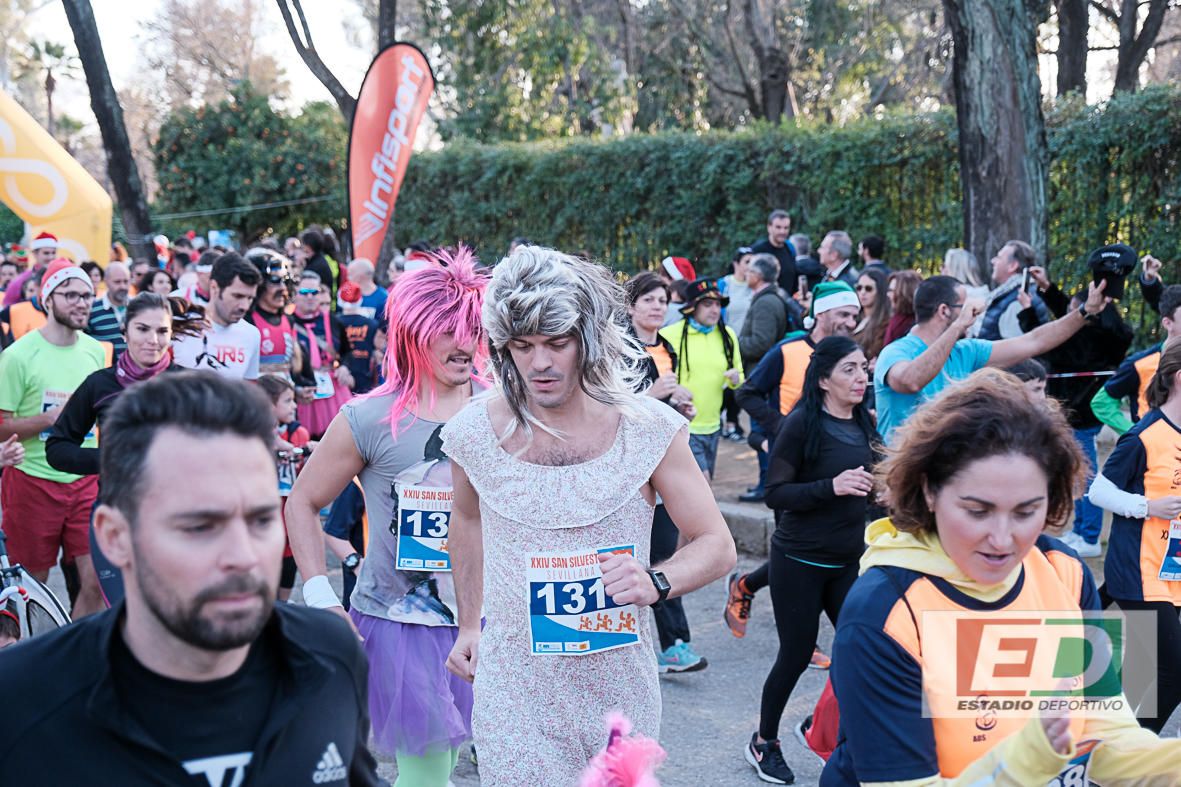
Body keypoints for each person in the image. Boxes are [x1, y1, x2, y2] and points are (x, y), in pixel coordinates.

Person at [440, 246, 736, 786]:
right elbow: (467, 521)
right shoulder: (472, 433)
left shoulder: (648, 429)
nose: (539, 363)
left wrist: (656, 581)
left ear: (589, 339)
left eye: (557, 342)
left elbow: (716, 543)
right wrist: (467, 624)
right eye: (522, 345)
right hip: (515, 690)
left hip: (619, 693)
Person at [0, 372, 380, 784]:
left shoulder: (330, 655)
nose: (243, 556)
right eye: (200, 527)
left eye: (261, 519)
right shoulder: (21, 697)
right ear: (115, 537)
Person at [823, 370, 1181, 786]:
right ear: (929, 491)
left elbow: (1104, 727)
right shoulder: (884, 612)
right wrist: (1031, 757)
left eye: (1026, 511)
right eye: (977, 511)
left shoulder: (1064, 572)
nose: (1002, 539)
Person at [287, 246, 485, 787]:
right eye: (448, 329)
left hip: (486, 617)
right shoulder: (369, 417)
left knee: (449, 763)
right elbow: (302, 502)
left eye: (471, 327)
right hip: (400, 622)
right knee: (428, 774)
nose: (465, 342)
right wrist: (320, 595)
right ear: (413, 333)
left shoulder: (502, 409)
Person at [745, 336, 879, 785]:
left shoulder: (862, 421)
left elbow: (875, 480)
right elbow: (776, 494)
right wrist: (831, 487)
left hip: (848, 561)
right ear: (823, 380)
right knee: (797, 654)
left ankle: (822, 727)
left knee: (862, 649)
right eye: (849, 369)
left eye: (863, 368)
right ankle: (764, 741)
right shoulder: (801, 423)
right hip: (799, 561)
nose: (861, 378)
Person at [45, 292, 203, 606]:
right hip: (116, 514)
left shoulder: (189, 386)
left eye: (162, 331)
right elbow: (57, 448)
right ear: (125, 331)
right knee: (123, 610)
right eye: (143, 329)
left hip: (175, 518)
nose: (153, 340)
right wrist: (108, 460)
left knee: (171, 612)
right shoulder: (100, 385)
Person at [874, 274, 1109, 444]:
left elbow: (1034, 341)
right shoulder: (895, 352)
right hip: (903, 475)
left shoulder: (966, 350)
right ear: (944, 311)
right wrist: (957, 327)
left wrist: (1084, 312)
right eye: (964, 307)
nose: (973, 316)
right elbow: (911, 381)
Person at [0, 259, 108, 618]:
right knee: (31, 586)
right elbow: (2, 426)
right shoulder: (17, 356)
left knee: (97, 580)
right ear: (48, 300)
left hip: (85, 481)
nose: (82, 303)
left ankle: (73, 644)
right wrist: (48, 420)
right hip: (33, 480)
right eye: (71, 295)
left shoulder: (95, 351)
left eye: (87, 296)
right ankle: (35, 648)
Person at [1087, 340, 1181, 733]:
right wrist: (1148, 506)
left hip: (1171, 571)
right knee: (1174, 672)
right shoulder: (1144, 435)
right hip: (1138, 570)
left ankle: (1103, 739)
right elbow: (1098, 491)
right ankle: (1135, 750)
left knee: (1143, 668)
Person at [1015, 263, 1134, 558]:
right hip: (1078, 412)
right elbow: (1069, 316)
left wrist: (1029, 312)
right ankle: (1081, 529)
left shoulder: (1089, 340)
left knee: (1084, 473)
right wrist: (1047, 288)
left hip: (1080, 413)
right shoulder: (1105, 333)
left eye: (1077, 312)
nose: (1070, 317)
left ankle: (1089, 535)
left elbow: (1047, 343)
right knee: (1077, 471)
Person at [626, 272, 706, 674]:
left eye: (663, 300)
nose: (658, 307)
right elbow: (610, 406)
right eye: (649, 300)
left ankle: (671, 644)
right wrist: (653, 395)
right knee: (652, 554)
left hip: (665, 459)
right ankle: (669, 644)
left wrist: (679, 408)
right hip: (630, 467)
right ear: (630, 307)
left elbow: (662, 408)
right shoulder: (618, 348)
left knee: (665, 552)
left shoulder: (667, 347)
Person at [732, 282, 860, 509]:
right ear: (820, 313)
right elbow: (747, 394)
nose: (851, 323)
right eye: (843, 314)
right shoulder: (787, 350)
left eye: (854, 316)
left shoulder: (853, 355)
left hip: (837, 462)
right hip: (793, 464)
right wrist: (781, 425)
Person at [659, 277, 743, 479]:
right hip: (682, 424)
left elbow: (739, 377)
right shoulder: (669, 335)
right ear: (692, 307)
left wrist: (735, 379)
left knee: (702, 484)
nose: (715, 310)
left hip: (714, 425)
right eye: (707, 304)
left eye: (718, 304)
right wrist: (673, 389)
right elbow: (655, 377)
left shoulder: (727, 335)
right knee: (702, 482)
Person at [1092, 284, 1181, 435]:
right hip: (1155, 447)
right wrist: (1136, 433)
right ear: (1168, 323)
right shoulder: (1140, 364)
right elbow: (1101, 403)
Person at [171, 252, 262, 380]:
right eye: (237, 296)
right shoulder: (179, 325)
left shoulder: (251, 335)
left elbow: (248, 386)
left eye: (250, 298)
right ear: (214, 288)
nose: (245, 306)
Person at [291, 271, 355, 438]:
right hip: (304, 390)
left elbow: (347, 352)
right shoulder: (287, 322)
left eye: (315, 292)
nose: (310, 297)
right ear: (295, 294)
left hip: (332, 389)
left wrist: (345, 367)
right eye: (305, 292)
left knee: (340, 435)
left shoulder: (333, 321)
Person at [972, 240, 1052, 340]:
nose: (993, 261)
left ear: (1012, 266)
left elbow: (1016, 345)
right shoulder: (1015, 293)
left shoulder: (1019, 299)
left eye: (999, 257)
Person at [738, 253, 790, 371]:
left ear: (757, 276)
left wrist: (734, 342)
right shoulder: (771, 297)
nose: (746, 274)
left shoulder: (765, 303)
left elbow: (761, 344)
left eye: (749, 271)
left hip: (758, 370)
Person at [337, 282, 382, 395]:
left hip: (339, 377)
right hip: (364, 378)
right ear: (360, 299)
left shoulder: (333, 323)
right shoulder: (372, 324)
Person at [86, 261, 131, 358]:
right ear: (106, 281)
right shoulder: (92, 310)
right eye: (117, 282)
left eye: (126, 281)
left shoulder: (139, 308)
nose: (123, 286)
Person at [751, 209, 799, 296]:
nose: (782, 232)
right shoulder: (758, 250)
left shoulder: (790, 249)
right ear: (769, 227)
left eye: (786, 228)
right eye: (778, 227)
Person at [2, 230, 55, 307]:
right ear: (35, 253)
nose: (51, 257)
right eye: (46, 253)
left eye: (53, 253)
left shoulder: (59, 276)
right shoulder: (20, 280)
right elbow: (7, 308)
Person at [852, 267, 889, 366]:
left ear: (880, 291)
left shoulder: (885, 323)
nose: (862, 292)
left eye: (868, 289)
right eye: (859, 288)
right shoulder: (852, 317)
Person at [883, 269, 922, 345]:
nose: (888, 294)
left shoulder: (910, 325)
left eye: (892, 291)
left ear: (904, 293)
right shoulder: (896, 319)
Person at [300, 228, 337, 300]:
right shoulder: (319, 260)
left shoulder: (315, 266)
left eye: (303, 244)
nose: (302, 247)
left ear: (308, 246)